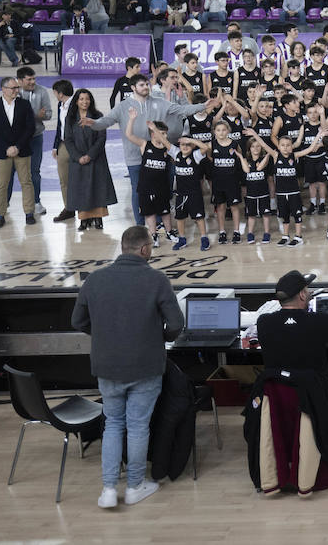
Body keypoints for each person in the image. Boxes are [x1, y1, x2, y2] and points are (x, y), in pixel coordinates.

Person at [71, 225, 184, 509]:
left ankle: (109, 489)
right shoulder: (157, 280)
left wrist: (105, 336)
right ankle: (134, 486)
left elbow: (78, 322)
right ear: (145, 249)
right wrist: (158, 337)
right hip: (145, 367)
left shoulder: (95, 280)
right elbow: (177, 325)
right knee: (137, 426)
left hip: (107, 366)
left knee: (112, 425)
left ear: (123, 247)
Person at [85, 73, 212, 226]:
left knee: (162, 189)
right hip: (135, 156)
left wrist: (203, 106)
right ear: (133, 88)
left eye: (147, 84)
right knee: (138, 190)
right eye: (142, 85)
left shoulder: (160, 102)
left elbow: (182, 110)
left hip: (159, 157)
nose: (146, 87)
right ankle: (140, 224)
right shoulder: (123, 107)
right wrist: (93, 123)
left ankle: (158, 222)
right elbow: (106, 121)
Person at [254, 270, 328, 417]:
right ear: (302, 295)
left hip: (278, 395)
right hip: (316, 394)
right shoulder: (321, 319)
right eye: (307, 290)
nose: (309, 293)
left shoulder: (263, 322)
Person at [65, 88, 117, 231]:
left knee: (97, 188)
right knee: (80, 189)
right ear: (76, 101)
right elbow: (68, 140)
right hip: (78, 160)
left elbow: (101, 139)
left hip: (96, 158)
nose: (84, 102)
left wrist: (90, 155)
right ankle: (84, 220)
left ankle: (98, 218)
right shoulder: (70, 118)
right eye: (81, 99)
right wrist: (78, 157)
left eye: (87, 99)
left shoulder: (97, 115)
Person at [0, 76, 37, 228]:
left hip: (22, 151)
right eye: (13, 88)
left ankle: (29, 213)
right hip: (2, 153)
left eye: (17, 88)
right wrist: (6, 148)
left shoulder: (25, 104)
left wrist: (17, 147)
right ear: (3, 89)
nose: (17, 90)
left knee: (26, 182)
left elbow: (30, 128)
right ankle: (0, 214)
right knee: (1, 184)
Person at [12, 66, 52, 216]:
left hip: (35, 137)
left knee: (34, 171)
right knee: (10, 172)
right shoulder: (13, 92)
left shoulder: (41, 91)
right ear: (20, 80)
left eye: (34, 78)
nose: (32, 82)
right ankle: (4, 203)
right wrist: (35, 115)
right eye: (29, 79)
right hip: (15, 139)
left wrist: (38, 116)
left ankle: (36, 202)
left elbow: (48, 114)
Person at [49, 78, 76, 223]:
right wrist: (55, 146)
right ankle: (69, 208)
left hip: (76, 146)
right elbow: (59, 126)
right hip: (63, 145)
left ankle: (86, 210)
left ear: (60, 93)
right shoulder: (61, 104)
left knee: (80, 178)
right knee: (64, 179)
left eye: (54, 92)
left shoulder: (77, 104)